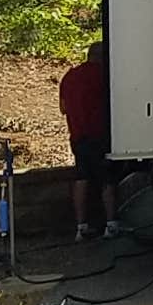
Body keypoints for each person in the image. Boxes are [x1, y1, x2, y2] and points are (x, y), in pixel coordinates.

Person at [58, 44, 115, 241]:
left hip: (78, 136)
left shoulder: (70, 76)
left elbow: (63, 108)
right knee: (107, 179)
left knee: (81, 178)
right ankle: (111, 224)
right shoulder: (104, 75)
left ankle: (81, 227)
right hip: (100, 135)